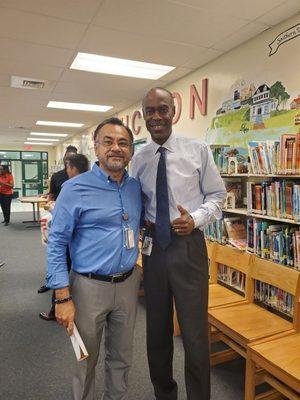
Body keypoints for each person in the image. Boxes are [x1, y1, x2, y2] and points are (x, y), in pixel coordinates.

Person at [130, 87, 227, 400]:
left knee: (195, 332)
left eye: (162, 109)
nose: (156, 117)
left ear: (174, 111)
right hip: (154, 249)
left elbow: (218, 196)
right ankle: (164, 393)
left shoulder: (196, 149)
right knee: (156, 330)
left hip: (188, 247)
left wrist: (196, 218)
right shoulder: (139, 158)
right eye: (150, 111)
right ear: (143, 116)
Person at [47, 117, 142, 400]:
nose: (116, 148)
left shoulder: (135, 187)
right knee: (84, 359)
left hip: (128, 283)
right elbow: (56, 243)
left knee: (122, 358)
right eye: (108, 142)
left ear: (130, 151)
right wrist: (62, 297)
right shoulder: (75, 189)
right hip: (88, 287)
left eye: (123, 143)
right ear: (96, 147)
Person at [39, 154, 89, 321]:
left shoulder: (71, 186)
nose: (66, 170)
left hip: (71, 241)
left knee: (63, 264)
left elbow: (61, 232)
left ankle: (56, 307)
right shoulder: (91, 185)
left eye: (67, 167)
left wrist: (53, 209)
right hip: (82, 246)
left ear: (72, 167)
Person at [38, 145, 78, 294]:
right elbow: (52, 196)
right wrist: (49, 204)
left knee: (74, 258)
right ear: (64, 159)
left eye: (73, 157)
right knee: (57, 253)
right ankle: (53, 286)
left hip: (79, 224)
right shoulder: (57, 176)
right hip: (60, 221)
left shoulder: (85, 176)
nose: (70, 161)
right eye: (68, 158)